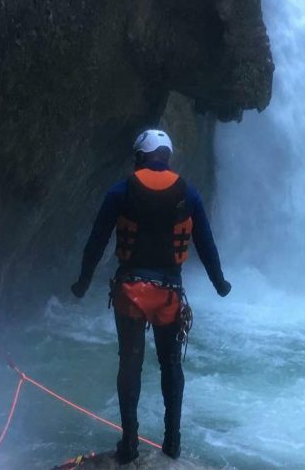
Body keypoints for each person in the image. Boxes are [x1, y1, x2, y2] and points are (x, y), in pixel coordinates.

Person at [70, 130, 231, 464]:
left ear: (140, 156)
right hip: (169, 294)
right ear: (167, 156)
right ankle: (172, 442)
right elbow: (206, 243)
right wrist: (219, 282)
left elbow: (97, 239)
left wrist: (83, 282)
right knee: (170, 364)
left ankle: (128, 443)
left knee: (129, 362)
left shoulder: (121, 190)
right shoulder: (189, 193)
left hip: (131, 290)